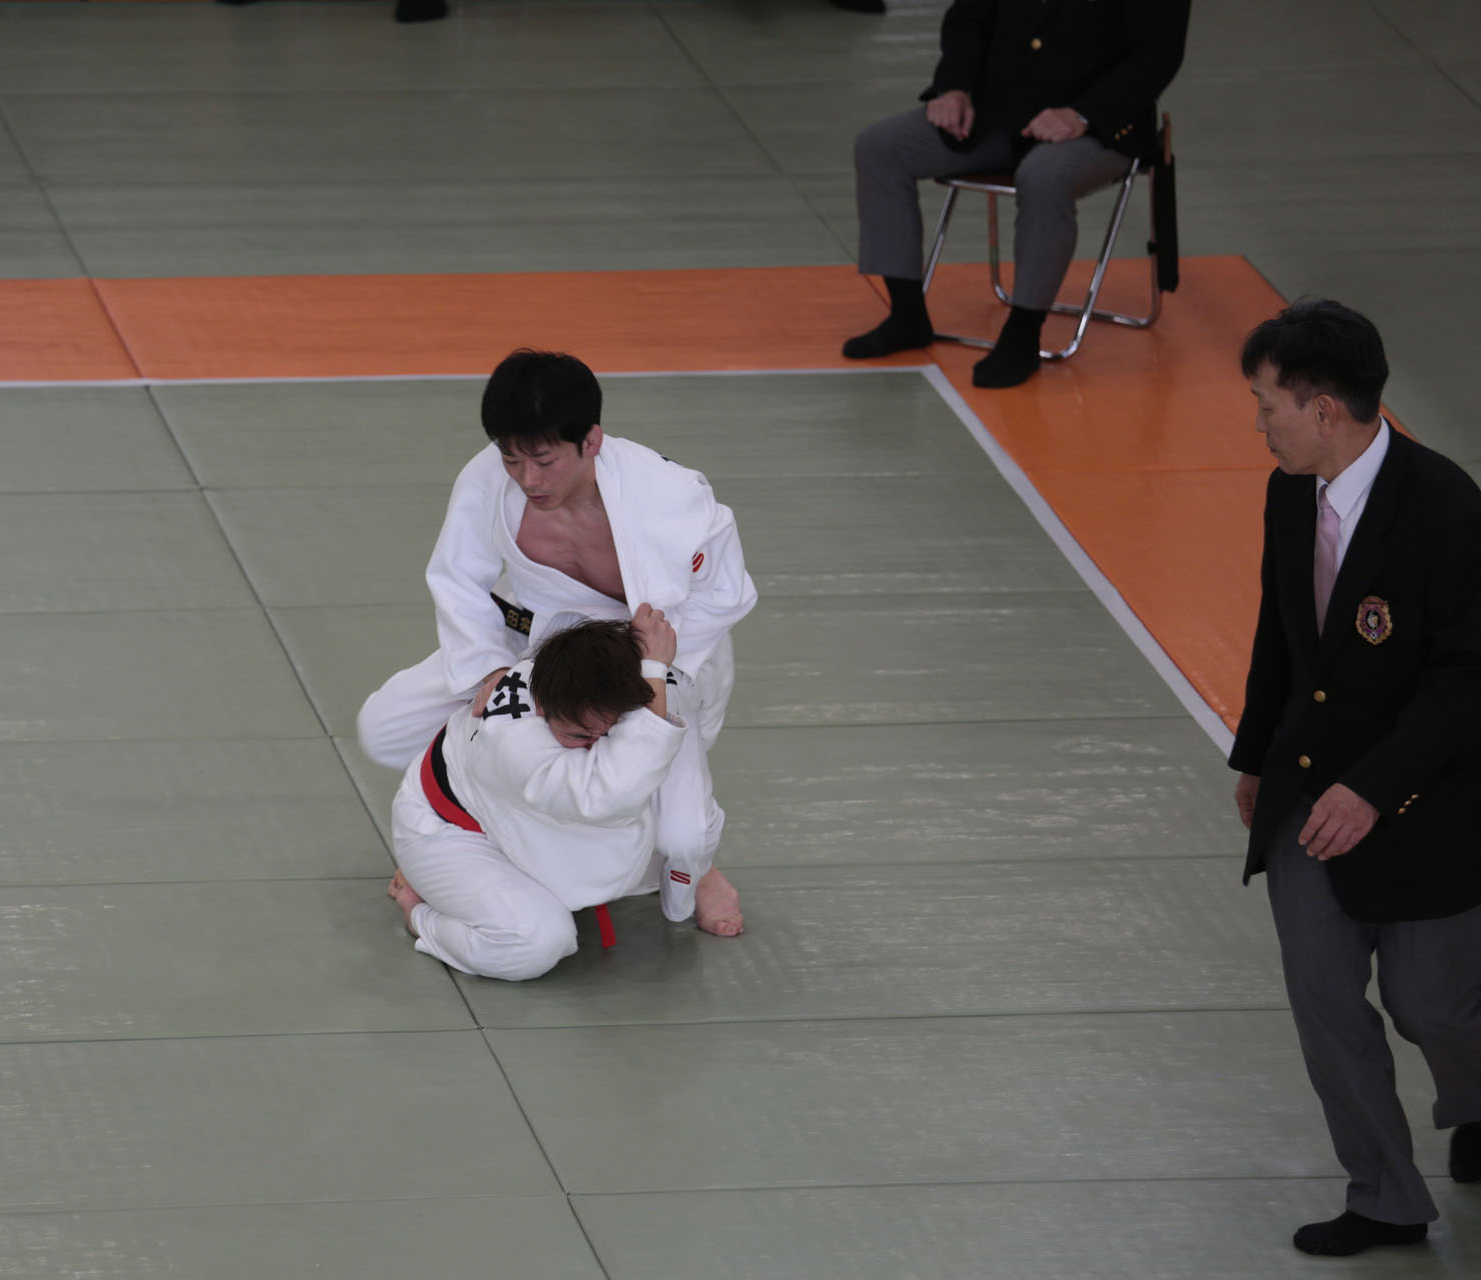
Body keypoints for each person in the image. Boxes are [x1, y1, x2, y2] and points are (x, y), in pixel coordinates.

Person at [1228, 299, 1481, 1257]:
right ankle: (1384, 1195)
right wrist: (1257, 756)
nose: (1260, 424)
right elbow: (1281, 633)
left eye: (1268, 405)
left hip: (1428, 806)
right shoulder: (1288, 493)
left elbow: (1466, 682)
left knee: (1432, 1006)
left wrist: (1372, 788)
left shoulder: (1448, 509)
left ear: (1324, 409)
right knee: (1326, 1000)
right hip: (1306, 796)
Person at [358, 349, 757, 936]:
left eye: (543, 461)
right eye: (512, 459)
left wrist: (649, 668)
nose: (528, 480)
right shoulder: (487, 478)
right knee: (385, 727)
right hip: (533, 644)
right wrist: (487, 670)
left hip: (653, 657)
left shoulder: (670, 496)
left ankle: (699, 872)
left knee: (683, 829)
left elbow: (724, 594)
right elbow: (457, 577)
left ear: (591, 440)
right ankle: (475, 828)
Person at [842, 0, 1190, 388]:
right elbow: (969, 17)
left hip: (1100, 126)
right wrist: (955, 87)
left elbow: (1156, 54)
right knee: (881, 147)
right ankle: (907, 316)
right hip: (999, 114)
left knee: (1044, 177)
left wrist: (1081, 115)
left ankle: (1023, 335)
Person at [387, 612, 691, 981]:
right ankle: (418, 912)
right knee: (536, 942)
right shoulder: (511, 741)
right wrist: (655, 667)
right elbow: (610, 794)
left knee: (678, 835)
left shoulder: (570, 677)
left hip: (510, 817)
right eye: (580, 737)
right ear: (540, 706)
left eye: (610, 733)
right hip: (447, 832)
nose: (596, 746)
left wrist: (651, 663)